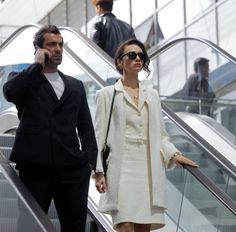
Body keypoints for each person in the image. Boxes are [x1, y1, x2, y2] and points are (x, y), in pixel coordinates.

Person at [94, 39, 198, 232]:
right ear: (119, 62)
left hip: (148, 168)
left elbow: (161, 135)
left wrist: (175, 155)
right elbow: (99, 137)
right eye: (131, 55)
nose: (137, 59)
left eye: (141, 55)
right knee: (124, 225)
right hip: (121, 168)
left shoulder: (153, 95)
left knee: (143, 228)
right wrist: (98, 172)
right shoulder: (106, 94)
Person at [3, 25, 98, 232]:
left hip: (72, 169)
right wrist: (36, 65)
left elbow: (85, 127)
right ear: (39, 49)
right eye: (52, 44)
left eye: (61, 44)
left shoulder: (75, 86)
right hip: (35, 167)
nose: (58, 49)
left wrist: (89, 161)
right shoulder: (22, 79)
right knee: (29, 227)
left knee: (75, 228)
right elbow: (10, 93)